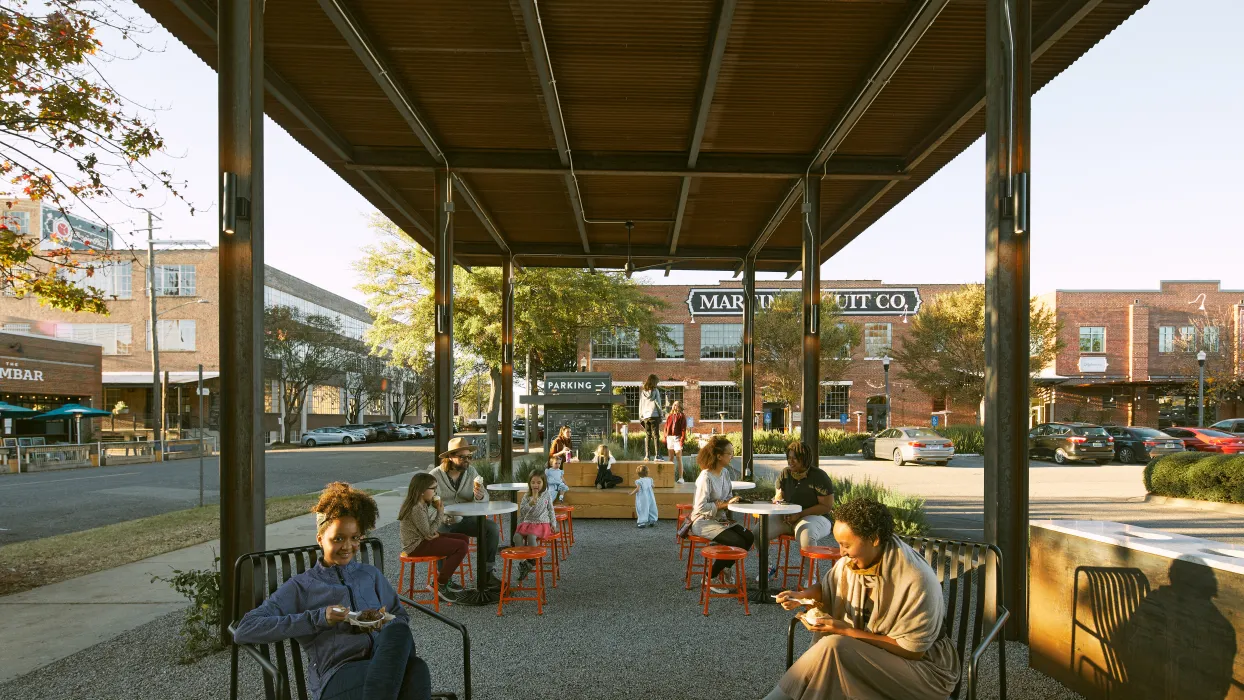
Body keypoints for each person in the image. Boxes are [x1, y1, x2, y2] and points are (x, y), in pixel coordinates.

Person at [233, 482, 432, 700]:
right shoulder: (302, 586)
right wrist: (318, 618)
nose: (348, 547)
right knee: (414, 672)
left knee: (402, 639)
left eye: (355, 538)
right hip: (338, 677)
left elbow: (400, 616)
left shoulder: (370, 575)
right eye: (338, 538)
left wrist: (382, 621)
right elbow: (246, 629)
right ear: (320, 539)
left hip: (381, 666)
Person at [770, 499, 959, 700]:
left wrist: (845, 631)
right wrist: (801, 596)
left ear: (874, 539)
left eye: (846, 545)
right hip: (870, 655)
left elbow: (913, 652)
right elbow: (829, 588)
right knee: (829, 658)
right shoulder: (854, 562)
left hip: (923, 671)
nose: (841, 552)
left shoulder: (914, 579)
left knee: (834, 648)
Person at [754, 440, 835, 581]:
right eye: (788, 458)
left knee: (806, 534)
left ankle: (810, 577)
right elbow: (779, 494)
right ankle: (768, 567)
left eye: (794, 458)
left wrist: (800, 514)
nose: (790, 462)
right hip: (788, 516)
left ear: (804, 458)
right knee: (758, 531)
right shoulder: (785, 474)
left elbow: (826, 506)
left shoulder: (819, 476)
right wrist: (778, 500)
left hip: (815, 516)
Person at [432, 437, 501, 589]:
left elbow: (485, 500)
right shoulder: (435, 476)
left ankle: (487, 574)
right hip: (443, 522)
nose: (467, 460)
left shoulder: (471, 472)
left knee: (492, 529)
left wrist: (481, 495)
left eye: (469, 457)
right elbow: (426, 505)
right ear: (450, 457)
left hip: (465, 520)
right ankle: (443, 581)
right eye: (462, 457)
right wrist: (442, 517)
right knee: (442, 537)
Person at [690, 435, 754, 594]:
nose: (732, 456)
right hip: (703, 521)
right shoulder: (706, 476)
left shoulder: (724, 472)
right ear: (719, 456)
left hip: (720, 519)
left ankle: (725, 568)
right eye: (729, 453)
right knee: (737, 541)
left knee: (749, 537)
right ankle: (710, 576)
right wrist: (724, 504)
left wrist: (730, 502)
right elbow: (699, 506)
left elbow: (727, 496)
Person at [397, 472, 468, 603]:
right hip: (416, 546)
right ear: (421, 490)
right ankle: (440, 584)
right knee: (461, 546)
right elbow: (429, 532)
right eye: (433, 489)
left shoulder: (421, 503)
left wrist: (433, 533)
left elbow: (427, 530)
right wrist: (440, 512)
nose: (435, 492)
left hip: (423, 539)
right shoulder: (416, 508)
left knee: (463, 538)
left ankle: (446, 579)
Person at [514, 469, 558, 582]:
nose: (535, 485)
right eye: (533, 482)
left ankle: (532, 559)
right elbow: (522, 512)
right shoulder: (526, 496)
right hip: (528, 522)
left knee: (531, 536)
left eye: (539, 482)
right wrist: (530, 504)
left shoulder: (546, 495)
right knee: (517, 537)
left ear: (543, 483)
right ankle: (524, 562)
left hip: (541, 522)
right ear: (529, 483)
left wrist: (553, 523)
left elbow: (551, 510)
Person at [639, 374, 664, 461]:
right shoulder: (655, 391)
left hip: (646, 416)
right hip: (654, 415)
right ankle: (657, 455)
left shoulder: (643, 392)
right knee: (656, 435)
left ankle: (647, 455)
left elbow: (641, 405)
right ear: (654, 382)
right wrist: (661, 414)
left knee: (648, 435)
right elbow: (658, 403)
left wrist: (641, 416)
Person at [662, 400, 688, 483]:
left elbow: (683, 429)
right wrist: (665, 437)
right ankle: (669, 478)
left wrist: (682, 440)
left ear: (680, 406)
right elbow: (665, 427)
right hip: (670, 438)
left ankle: (681, 478)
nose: (674, 406)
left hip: (677, 438)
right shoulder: (669, 416)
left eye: (676, 405)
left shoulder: (682, 416)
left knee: (678, 457)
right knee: (670, 458)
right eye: (674, 405)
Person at [630, 464, 658, 528]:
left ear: (638, 473)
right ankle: (652, 520)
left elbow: (638, 489)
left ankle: (642, 522)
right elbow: (653, 486)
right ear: (647, 473)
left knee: (642, 508)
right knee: (652, 507)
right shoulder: (650, 479)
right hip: (650, 496)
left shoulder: (639, 481)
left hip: (642, 498)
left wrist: (631, 493)